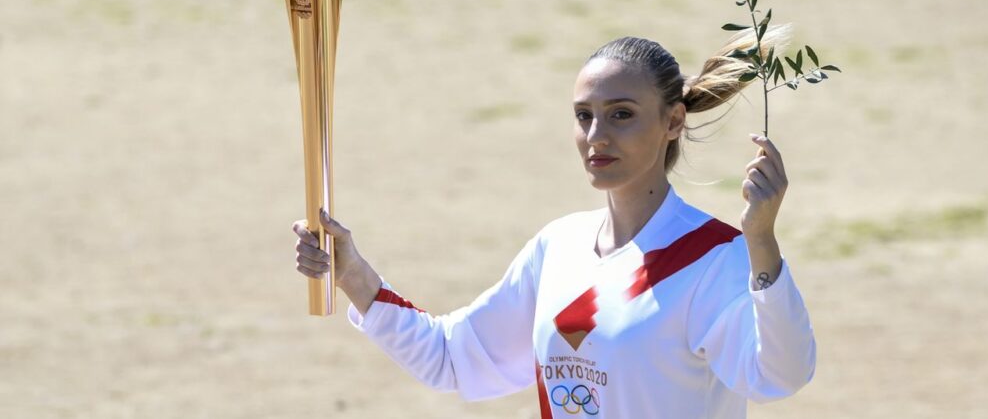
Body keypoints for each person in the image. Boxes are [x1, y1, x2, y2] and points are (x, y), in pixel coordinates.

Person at [292, 29, 816, 418]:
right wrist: (353, 274)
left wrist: (762, 243)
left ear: (672, 121)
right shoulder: (558, 248)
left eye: (621, 114)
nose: (596, 136)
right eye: (583, 115)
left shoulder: (713, 256)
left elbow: (778, 374)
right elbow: (455, 357)